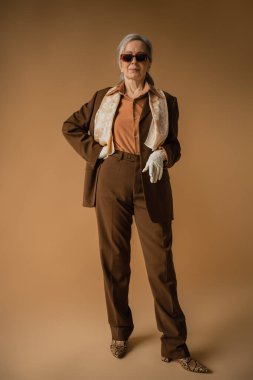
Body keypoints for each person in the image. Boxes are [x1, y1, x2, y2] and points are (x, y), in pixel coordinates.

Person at [62, 33, 211, 374]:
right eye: (127, 57)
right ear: (120, 61)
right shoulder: (103, 98)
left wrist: (162, 153)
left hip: (151, 182)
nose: (133, 63)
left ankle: (175, 346)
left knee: (161, 266)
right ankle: (119, 332)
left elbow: (175, 146)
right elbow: (70, 127)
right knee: (115, 260)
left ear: (149, 63)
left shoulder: (165, 101)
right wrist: (97, 152)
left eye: (140, 57)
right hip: (111, 177)